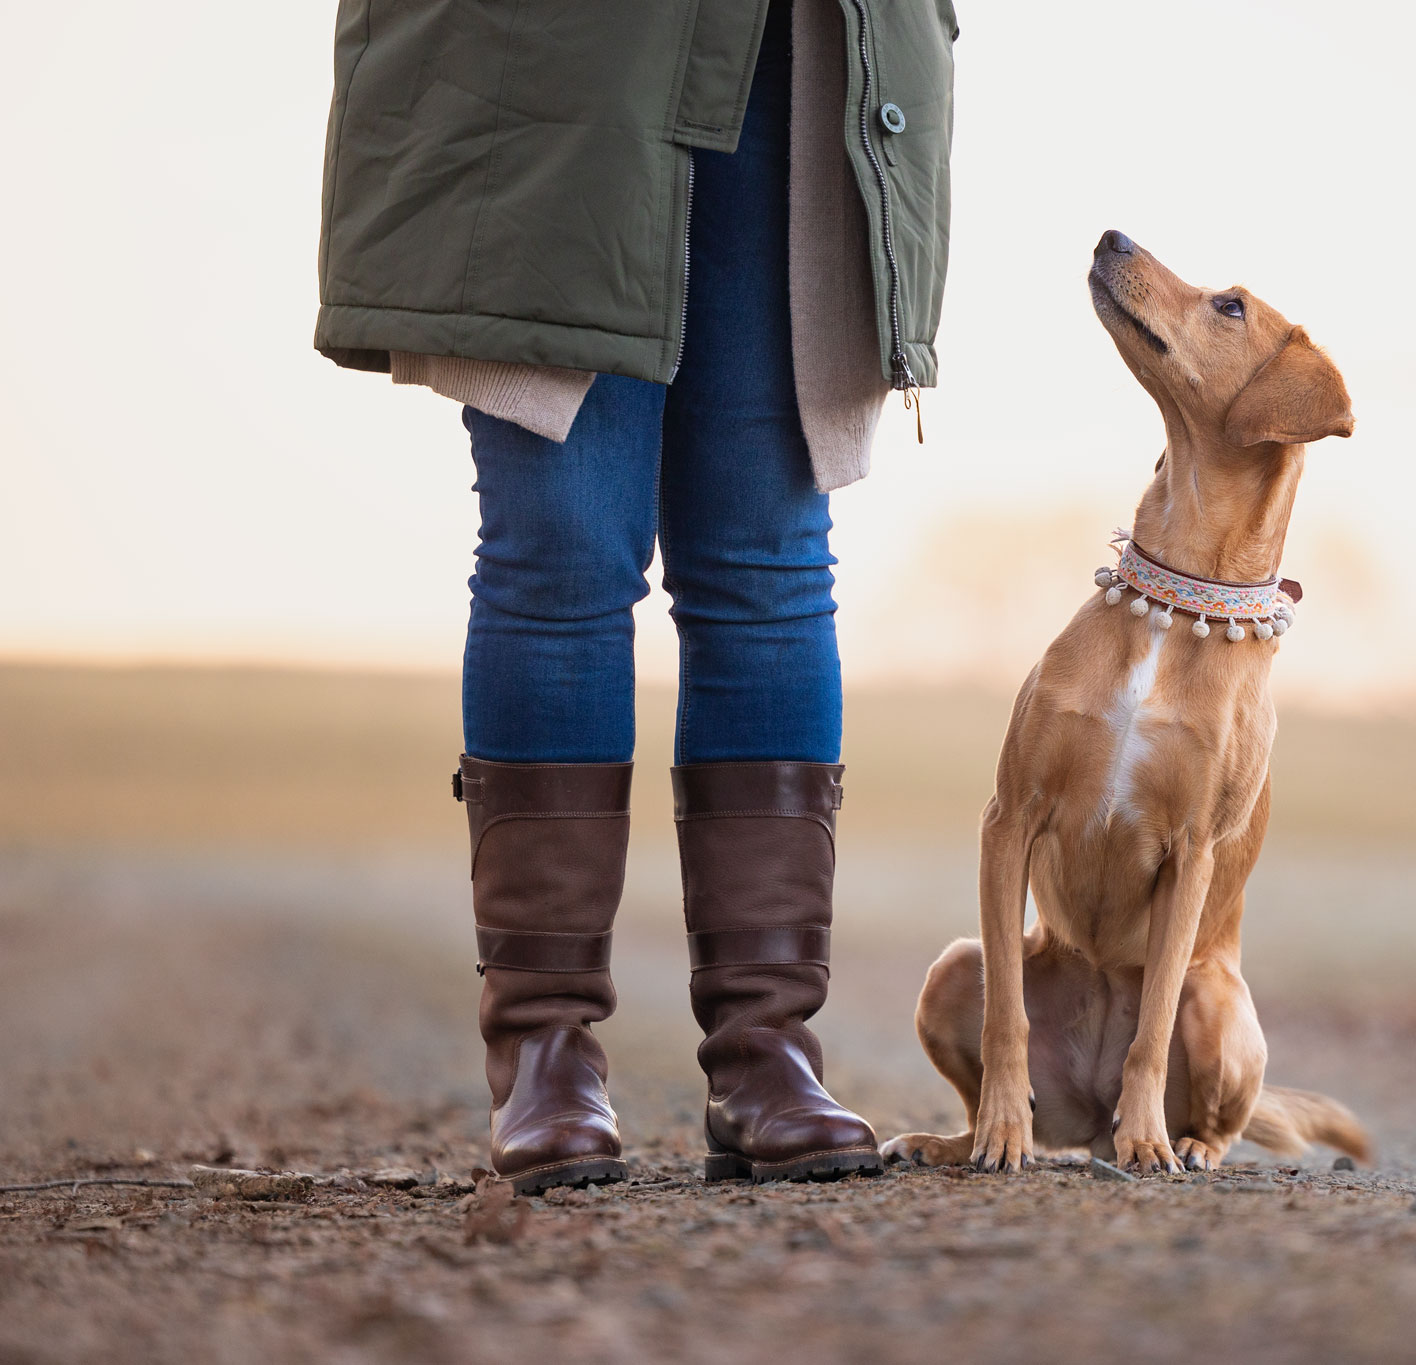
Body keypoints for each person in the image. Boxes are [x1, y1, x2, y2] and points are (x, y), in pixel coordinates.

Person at [312, 0, 957, 1190]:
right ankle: (544, 1052)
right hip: (552, 68)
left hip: (804, 46)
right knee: (558, 551)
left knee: (767, 560)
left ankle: (768, 1054)